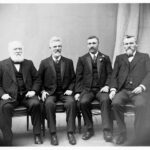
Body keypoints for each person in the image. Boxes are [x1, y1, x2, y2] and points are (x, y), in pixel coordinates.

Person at [109, 35, 150, 145]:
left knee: (141, 105)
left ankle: (139, 134)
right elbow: (114, 75)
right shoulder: (119, 58)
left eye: (131, 43)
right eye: (126, 44)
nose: (129, 46)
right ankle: (122, 133)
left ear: (136, 44)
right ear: (123, 46)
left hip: (138, 91)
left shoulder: (144, 56)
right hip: (123, 90)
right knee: (115, 103)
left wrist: (142, 86)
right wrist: (113, 89)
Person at [0, 41, 42, 146]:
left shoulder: (29, 63)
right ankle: (8, 138)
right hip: (10, 97)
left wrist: (33, 91)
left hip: (27, 96)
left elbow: (37, 79)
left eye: (20, 49)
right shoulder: (2, 64)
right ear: (10, 51)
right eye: (15, 49)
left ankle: (37, 134)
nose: (18, 51)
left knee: (36, 104)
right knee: (5, 108)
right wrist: (2, 94)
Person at [38, 36, 76, 145]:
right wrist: (42, 91)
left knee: (71, 103)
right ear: (50, 48)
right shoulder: (44, 62)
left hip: (64, 92)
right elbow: (38, 79)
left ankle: (70, 132)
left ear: (62, 48)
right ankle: (53, 133)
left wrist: (70, 89)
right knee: (49, 104)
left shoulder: (68, 62)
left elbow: (74, 79)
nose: (57, 48)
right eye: (55, 46)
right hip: (50, 93)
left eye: (59, 46)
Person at [75, 36, 113, 142]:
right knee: (83, 102)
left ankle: (107, 130)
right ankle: (89, 129)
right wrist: (78, 92)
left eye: (94, 43)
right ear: (87, 45)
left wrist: (107, 85)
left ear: (98, 44)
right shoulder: (82, 59)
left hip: (102, 89)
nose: (92, 45)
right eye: (90, 43)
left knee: (105, 100)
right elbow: (78, 76)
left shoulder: (105, 58)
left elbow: (110, 74)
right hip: (88, 89)